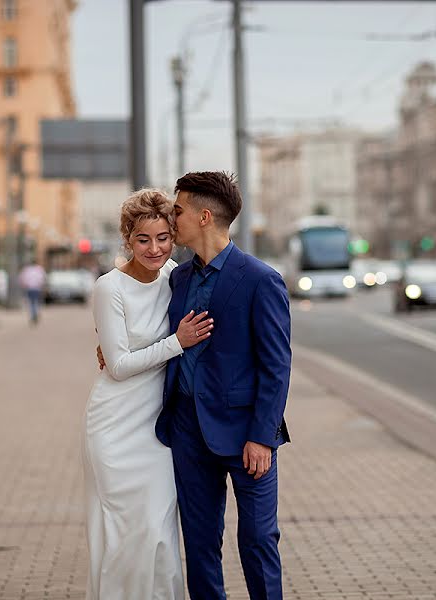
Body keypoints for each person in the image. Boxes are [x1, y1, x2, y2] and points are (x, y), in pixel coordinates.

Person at [157, 171, 292, 600]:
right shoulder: (177, 278)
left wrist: (261, 437)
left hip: (245, 434)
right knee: (199, 546)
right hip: (187, 430)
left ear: (203, 216)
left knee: (256, 541)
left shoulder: (260, 279)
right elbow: (158, 336)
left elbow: (276, 366)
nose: (170, 217)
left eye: (177, 210)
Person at [83, 188, 214, 600]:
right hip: (115, 425)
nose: (154, 248)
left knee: (158, 529)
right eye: (143, 239)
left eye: (162, 238)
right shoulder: (110, 287)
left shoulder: (175, 276)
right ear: (127, 239)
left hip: (158, 428)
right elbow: (119, 367)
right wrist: (177, 342)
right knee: (123, 532)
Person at [18, 259, 46, 324]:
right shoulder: (39, 269)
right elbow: (43, 278)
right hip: (37, 288)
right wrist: (42, 285)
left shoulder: (26, 270)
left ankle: (33, 314)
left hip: (29, 288)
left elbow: (21, 278)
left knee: (31, 302)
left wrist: (24, 284)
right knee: (36, 301)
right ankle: (35, 313)